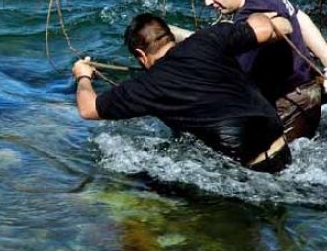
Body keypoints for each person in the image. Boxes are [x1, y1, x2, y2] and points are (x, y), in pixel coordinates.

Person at [72, 12, 294, 173]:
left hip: (247, 171)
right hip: (282, 148)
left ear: (141, 55)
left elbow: (88, 108)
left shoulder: (147, 85)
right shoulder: (208, 39)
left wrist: (83, 75)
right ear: (171, 36)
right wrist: (260, 14)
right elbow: (272, 28)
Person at [174, 0, 327, 142]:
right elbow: (300, 18)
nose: (208, 2)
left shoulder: (256, 14)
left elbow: (226, 58)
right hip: (305, 95)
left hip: (289, 103)